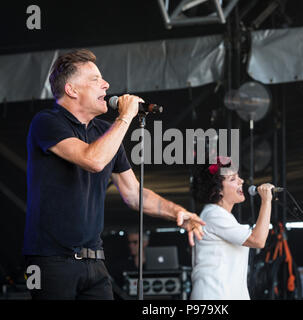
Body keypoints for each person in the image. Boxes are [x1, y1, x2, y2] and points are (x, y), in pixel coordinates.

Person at [23, 49, 204, 300]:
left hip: (94, 261)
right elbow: (92, 160)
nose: (106, 84)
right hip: (52, 260)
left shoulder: (105, 132)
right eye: (95, 79)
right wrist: (126, 116)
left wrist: (177, 212)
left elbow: (133, 193)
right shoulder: (47, 122)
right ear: (72, 90)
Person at [190, 156, 274, 300]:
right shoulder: (213, 214)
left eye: (238, 177)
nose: (241, 181)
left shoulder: (223, 216)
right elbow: (258, 240)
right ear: (218, 190)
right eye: (233, 179)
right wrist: (266, 201)